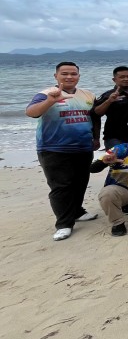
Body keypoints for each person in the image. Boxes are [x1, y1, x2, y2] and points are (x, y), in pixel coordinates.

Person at [26, 61, 100, 241]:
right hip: (53, 148)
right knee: (61, 186)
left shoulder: (87, 95)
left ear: (78, 76)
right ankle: (64, 224)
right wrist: (51, 101)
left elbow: (94, 117)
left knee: (80, 182)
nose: (69, 77)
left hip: (82, 147)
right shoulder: (46, 94)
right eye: (64, 73)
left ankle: (77, 211)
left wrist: (96, 137)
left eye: (73, 74)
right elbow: (31, 112)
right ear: (56, 76)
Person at [92, 66, 128, 148]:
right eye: (122, 77)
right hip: (114, 137)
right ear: (114, 80)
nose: (126, 79)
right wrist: (109, 101)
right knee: (116, 160)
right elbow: (96, 113)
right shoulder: (108, 95)